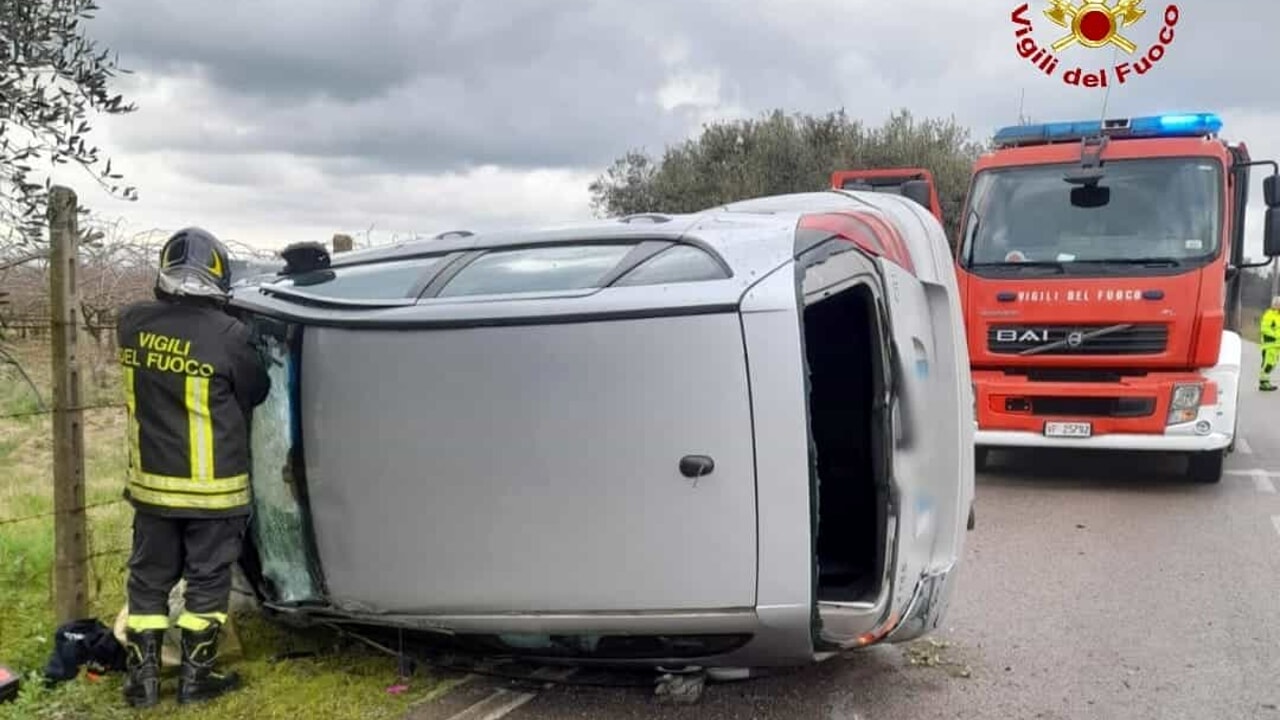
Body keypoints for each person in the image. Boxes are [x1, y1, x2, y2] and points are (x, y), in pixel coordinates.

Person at [116, 227, 270, 707]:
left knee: (148, 581)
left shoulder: (130, 323)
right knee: (207, 582)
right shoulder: (229, 335)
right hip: (213, 490)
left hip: (152, 489)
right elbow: (258, 390)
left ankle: (141, 684)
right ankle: (195, 682)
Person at [1262, 296, 1280, 392]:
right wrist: (1274, 337)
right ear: (1275, 305)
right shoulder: (1269, 315)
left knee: (1273, 364)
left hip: (1277, 345)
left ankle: (1266, 381)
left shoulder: (1278, 316)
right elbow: (1265, 329)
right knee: (1268, 363)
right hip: (1269, 344)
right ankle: (1263, 383)